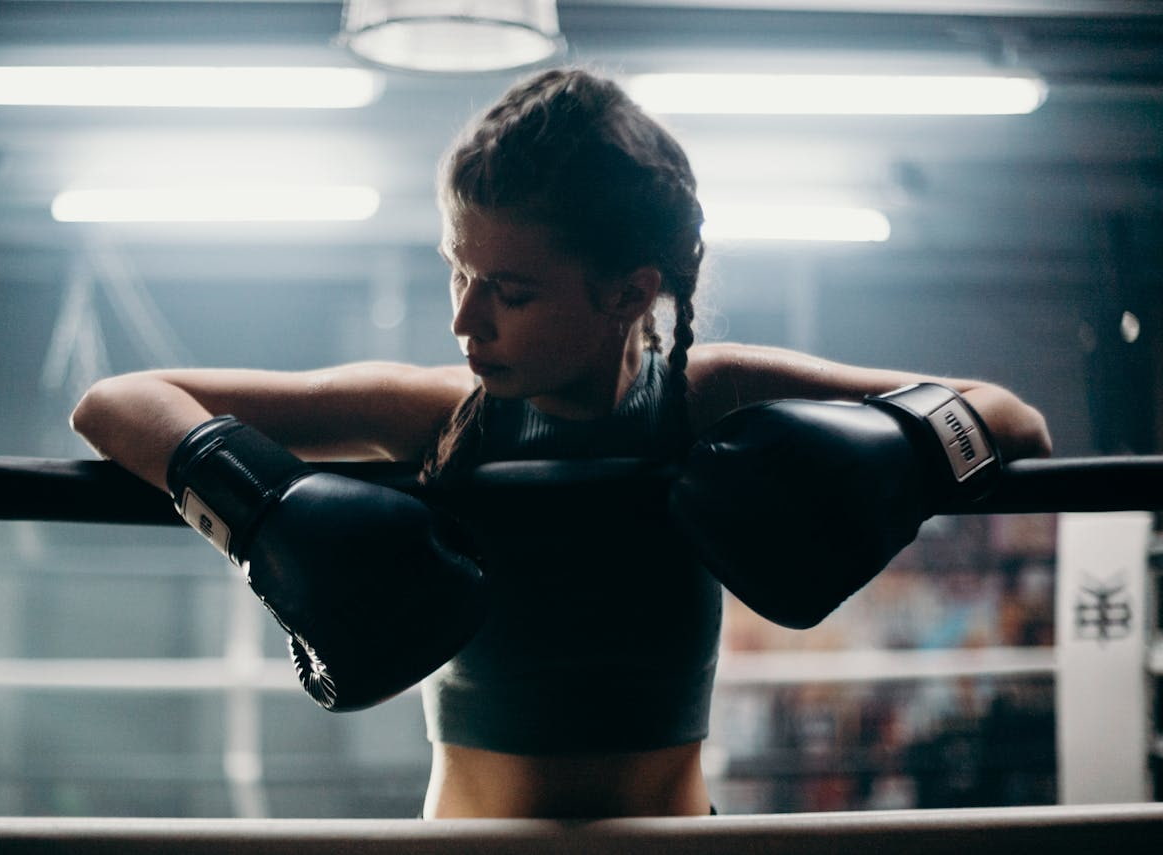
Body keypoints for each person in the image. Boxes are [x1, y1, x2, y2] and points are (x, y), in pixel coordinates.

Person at [70, 67, 1052, 819]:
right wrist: (263, 513)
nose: (464, 320)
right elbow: (117, 403)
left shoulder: (707, 395)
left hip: (671, 841)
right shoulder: (430, 413)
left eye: (511, 290)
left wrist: (898, 459)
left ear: (629, 292)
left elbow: (1006, 416)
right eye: (458, 272)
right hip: (471, 847)